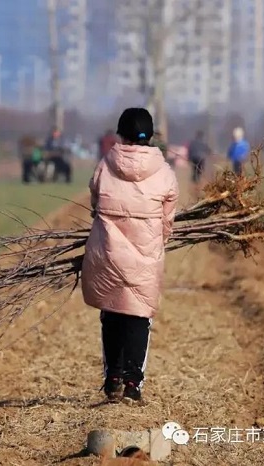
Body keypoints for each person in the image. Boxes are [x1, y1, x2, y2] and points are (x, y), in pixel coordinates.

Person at [81, 107, 179, 403]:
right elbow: (167, 221)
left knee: (111, 314)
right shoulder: (164, 172)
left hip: (107, 253)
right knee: (139, 317)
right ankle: (133, 384)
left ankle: (113, 377)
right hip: (146, 256)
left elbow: (95, 204)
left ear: (119, 134)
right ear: (150, 137)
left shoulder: (104, 165)